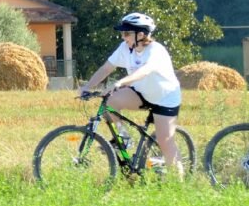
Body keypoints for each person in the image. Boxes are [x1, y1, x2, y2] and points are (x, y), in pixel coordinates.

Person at [78, 13, 184, 179]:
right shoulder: (125, 49)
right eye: (122, 33)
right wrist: (87, 87)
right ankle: (124, 139)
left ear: (140, 34)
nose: (123, 37)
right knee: (109, 102)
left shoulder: (156, 51)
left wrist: (121, 82)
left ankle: (179, 185)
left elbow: (144, 71)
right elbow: (106, 68)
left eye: (127, 33)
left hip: (165, 97)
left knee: (165, 141)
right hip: (141, 93)